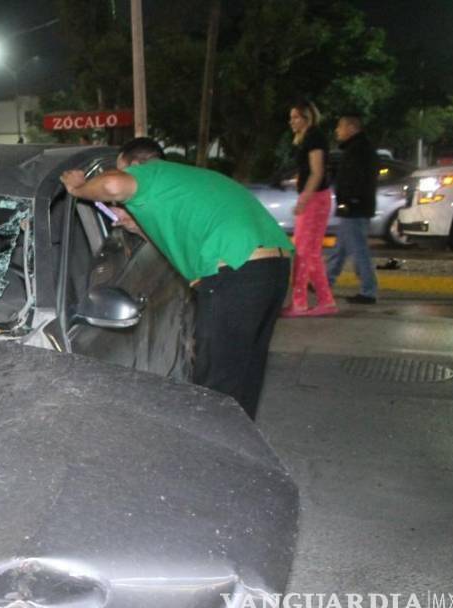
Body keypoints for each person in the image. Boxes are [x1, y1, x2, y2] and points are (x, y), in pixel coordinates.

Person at [61, 137, 292, 420]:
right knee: (243, 378)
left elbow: (111, 185)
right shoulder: (184, 181)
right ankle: (238, 445)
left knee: (216, 388)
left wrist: (79, 188)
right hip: (271, 268)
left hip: (236, 273)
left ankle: (209, 447)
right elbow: (180, 237)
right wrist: (138, 226)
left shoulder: (149, 172)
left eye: (123, 169)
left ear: (136, 164)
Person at [284, 100, 337, 317]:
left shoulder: (314, 137)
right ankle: (326, 301)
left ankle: (300, 303)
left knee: (303, 253)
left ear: (307, 118)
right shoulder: (309, 138)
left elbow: (317, 172)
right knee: (311, 253)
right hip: (315, 197)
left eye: (296, 117)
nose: (292, 122)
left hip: (315, 199)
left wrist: (304, 199)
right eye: (291, 118)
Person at [327, 114, 379, 304]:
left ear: (351, 128)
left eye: (340, 126)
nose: (337, 131)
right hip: (355, 205)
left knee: (358, 250)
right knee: (340, 248)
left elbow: (355, 180)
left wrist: (349, 201)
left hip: (355, 207)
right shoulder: (358, 149)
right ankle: (325, 281)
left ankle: (368, 290)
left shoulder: (358, 151)